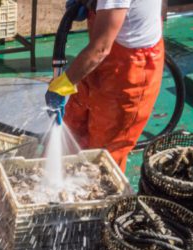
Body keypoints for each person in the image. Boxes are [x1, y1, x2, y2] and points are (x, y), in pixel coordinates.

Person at [45, 0, 165, 171]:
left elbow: (100, 49)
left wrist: (62, 86)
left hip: (130, 70)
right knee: (71, 125)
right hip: (100, 59)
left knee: (103, 154)